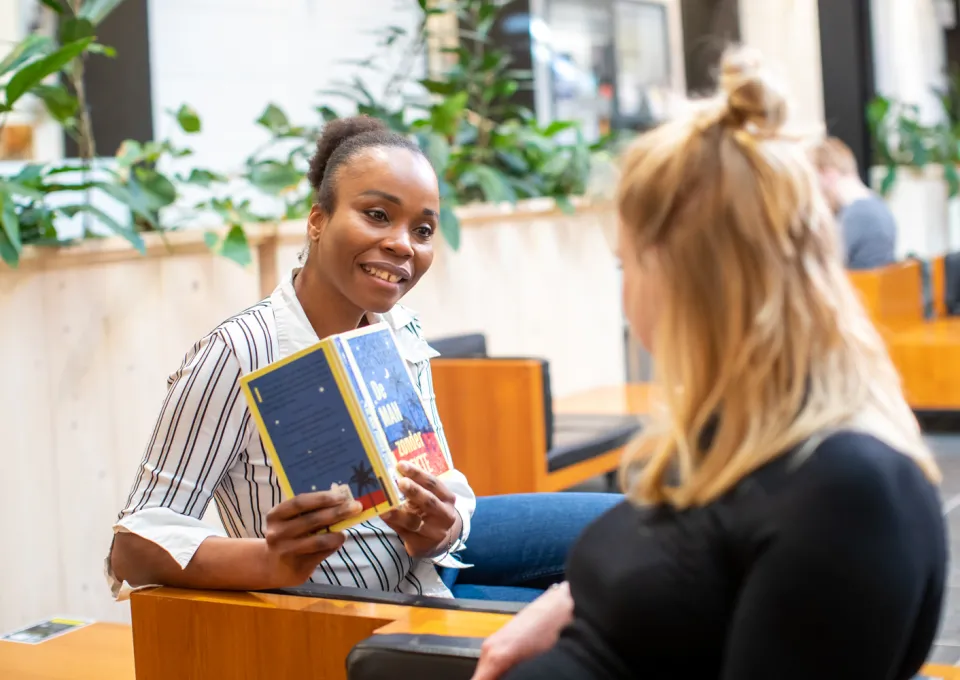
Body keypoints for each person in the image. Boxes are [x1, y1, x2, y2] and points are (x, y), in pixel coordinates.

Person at [470, 47, 947, 680]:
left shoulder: (847, 490)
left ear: (678, 274)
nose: (625, 293)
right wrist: (577, 607)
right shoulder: (740, 439)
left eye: (626, 264)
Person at [106, 116, 621, 603]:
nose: (403, 244)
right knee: (599, 627)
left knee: (639, 530)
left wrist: (446, 523)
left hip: (428, 564)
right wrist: (270, 561)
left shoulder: (400, 330)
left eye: (422, 230)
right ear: (317, 220)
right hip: (363, 607)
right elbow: (132, 547)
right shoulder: (239, 351)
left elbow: (444, 479)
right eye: (377, 215)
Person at [810, 135, 898, 270]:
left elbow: (826, 267)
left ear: (827, 174)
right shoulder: (878, 205)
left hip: (860, 288)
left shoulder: (857, 214)